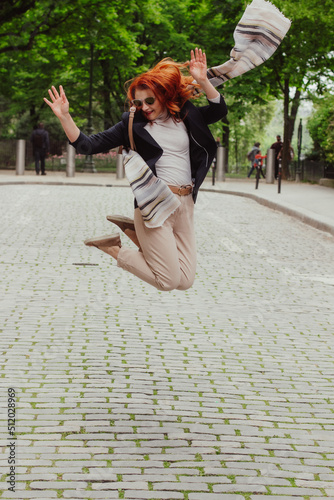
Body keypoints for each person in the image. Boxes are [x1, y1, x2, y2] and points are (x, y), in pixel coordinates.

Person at [44, 48, 227, 291]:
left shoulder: (186, 116)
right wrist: (65, 117)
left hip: (186, 204)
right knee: (168, 281)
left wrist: (203, 80)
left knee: (185, 281)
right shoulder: (131, 125)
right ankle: (113, 248)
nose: (145, 107)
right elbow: (87, 144)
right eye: (138, 103)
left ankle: (135, 233)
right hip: (156, 205)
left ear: (162, 95)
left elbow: (219, 110)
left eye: (150, 101)